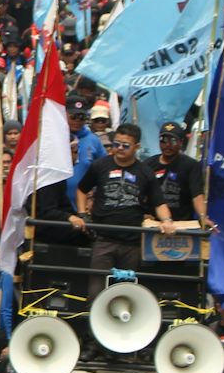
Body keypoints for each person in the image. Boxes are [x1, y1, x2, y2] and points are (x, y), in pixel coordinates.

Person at [69, 122, 176, 302]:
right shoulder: (99, 165)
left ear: (137, 147)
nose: (119, 149)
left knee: (126, 293)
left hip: (132, 242)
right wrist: (82, 214)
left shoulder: (145, 172)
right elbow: (81, 189)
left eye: (125, 146)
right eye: (116, 144)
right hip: (103, 240)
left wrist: (167, 220)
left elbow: (159, 203)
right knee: (96, 292)